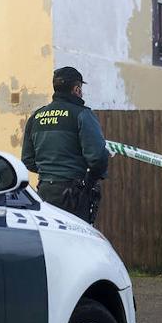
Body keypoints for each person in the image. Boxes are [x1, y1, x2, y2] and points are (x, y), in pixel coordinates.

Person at [21, 66, 109, 223]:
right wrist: (88, 180)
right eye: (80, 88)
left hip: (44, 191)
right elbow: (98, 158)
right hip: (74, 194)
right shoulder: (82, 114)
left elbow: (28, 159)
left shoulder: (37, 116)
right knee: (76, 241)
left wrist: (49, 171)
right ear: (76, 89)